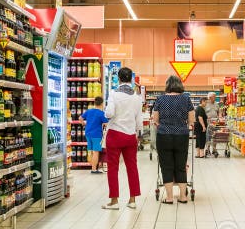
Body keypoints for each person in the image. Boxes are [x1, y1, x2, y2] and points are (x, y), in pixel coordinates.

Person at [103, 67, 143, 210]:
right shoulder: (137, 98)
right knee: (132, 167)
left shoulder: (113, 94)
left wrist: (108, 110)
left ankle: (114, 201)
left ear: (118, 79)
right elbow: (139, 121)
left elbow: (109, 113)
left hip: (115, 134)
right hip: (130, 135)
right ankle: (132, 200)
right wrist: (138, 135)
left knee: (113, 168)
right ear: (131, 79)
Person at [152, 75, 195, 204]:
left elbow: (155, 120)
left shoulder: (160, 99)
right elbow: (191, 120)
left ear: (167, 85)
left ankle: (170, 197)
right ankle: (183, 196)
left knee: (166, 166)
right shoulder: (186, 99)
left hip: (164, 135)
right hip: (181, 135)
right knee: (181, 166)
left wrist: (164, 125)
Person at [80, 96, 108, 174]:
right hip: (96, 135)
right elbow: (106, 123)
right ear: (102, 104)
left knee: (92, 152)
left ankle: (93, 167)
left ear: (94, 103)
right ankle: (94, 169)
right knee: (96, 152)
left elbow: (80, 118)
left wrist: (83, 124)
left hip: (88, 133)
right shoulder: (101, 113)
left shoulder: (89, 111)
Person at [204, 92, 219, 157]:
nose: (215, 98)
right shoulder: (205, 104)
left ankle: (214, 150)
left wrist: (219, 117)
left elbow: (219, 112)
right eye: (214, 97)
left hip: (215, 123)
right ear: (210, 97)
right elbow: (202, 114)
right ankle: (208, 149)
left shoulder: (216, 104)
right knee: (208, 137)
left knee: (215, 136)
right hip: (208, 123)